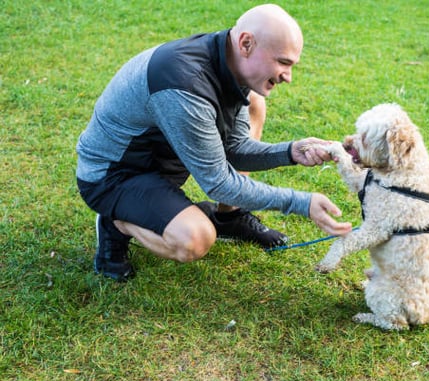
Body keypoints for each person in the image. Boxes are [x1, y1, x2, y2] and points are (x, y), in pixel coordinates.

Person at [75, 4, 352, 281]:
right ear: (246, 43)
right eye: (283, 62)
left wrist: (292, 151)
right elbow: (219, 182)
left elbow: (235, 150)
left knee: (257, 100)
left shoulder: (232, 62)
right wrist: (301, 202)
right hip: (112, 176)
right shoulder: (185, 86)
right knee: (195, 238)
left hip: (156, 162)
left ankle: (228, 217)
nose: (288, 77)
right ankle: (116, 223)